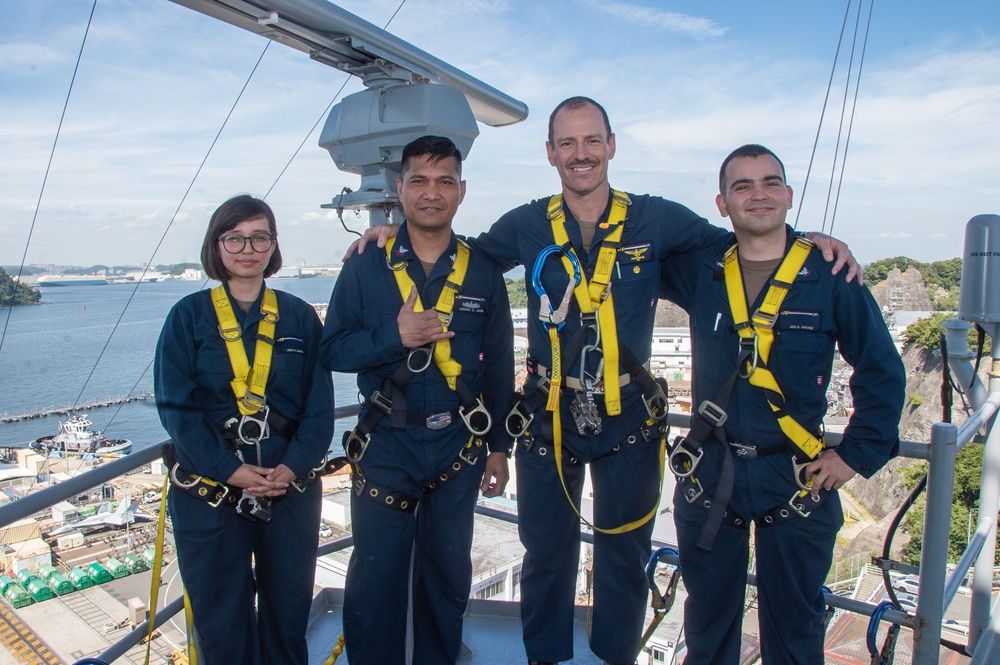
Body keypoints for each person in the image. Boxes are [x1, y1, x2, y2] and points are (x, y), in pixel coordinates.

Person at [347, 98, 859, 665]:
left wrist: (812, 242)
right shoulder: (526, 225)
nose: (581, 154)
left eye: (592, 141)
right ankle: (546, 657)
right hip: (549, 418)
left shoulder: (656, 219)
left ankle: (615, 656)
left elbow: (746, 239)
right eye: (568, 143)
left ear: (611, 145)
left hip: (629, 420)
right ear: (550, 154)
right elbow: (464, 254)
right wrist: (398, 230)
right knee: (545, 551)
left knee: (625, 552)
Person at [661, 144, 905, 664]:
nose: (759, 195)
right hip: (713, 467)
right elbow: (632, 250)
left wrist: (855, 455)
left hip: (794, 472)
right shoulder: (699, 269)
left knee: (796, 627)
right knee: (706, 624)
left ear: (789, 195)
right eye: (742, 186)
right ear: (722, 204)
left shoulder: (830, 275)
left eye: (770, 183)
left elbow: (881, 369)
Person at [320, 135, 514, 665]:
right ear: (401, 188)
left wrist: (499, 448)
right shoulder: (367, 263)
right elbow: (333, 348)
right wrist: (394, 336)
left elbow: (499, 368)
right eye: (420, 181)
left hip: (458, 444)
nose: (433, 193)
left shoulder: (482, 271)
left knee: (448, 578)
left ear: (462, 190)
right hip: (387, 443)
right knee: (375, 580)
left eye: (445, 181)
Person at [154, 195, 334, 665]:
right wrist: (227, 469)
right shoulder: (188, 318)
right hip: (211, 491)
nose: (247, 248)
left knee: (288, 613)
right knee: (221, 622)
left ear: (274, 246)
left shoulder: (298, 317)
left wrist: (293, 466)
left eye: (259, 237)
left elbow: (319, 408)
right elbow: (176, 408)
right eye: (234, 237)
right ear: (217, 246)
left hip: (288, 487)